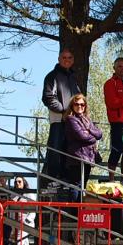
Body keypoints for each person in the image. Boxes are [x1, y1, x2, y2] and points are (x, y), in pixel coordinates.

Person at [41, 48, 81, 181]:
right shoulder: (52, 76)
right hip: (58, 121)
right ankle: (52, 180)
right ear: (59, 59)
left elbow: (79, 99)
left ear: (73, 60)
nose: (67, 60)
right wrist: (64, 110)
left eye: (70, 58)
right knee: (55, 151)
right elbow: (48, 98)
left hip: (73, 122)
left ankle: (66, 180)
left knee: (70, 152)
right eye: (64, 57)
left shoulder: (74, 77)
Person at [64, 93, 103, 192]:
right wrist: (92, 137)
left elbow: (99, 134)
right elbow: (82, 136)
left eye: (82, 104)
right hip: (77, 157)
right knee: (76, 185)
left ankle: (78, 207)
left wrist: (89, 130)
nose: (79, 107)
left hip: (88, 157)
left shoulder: (87, 119)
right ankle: (74, 208)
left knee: (83, 185)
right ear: (72, 106)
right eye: (76, 104)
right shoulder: (71, 119)